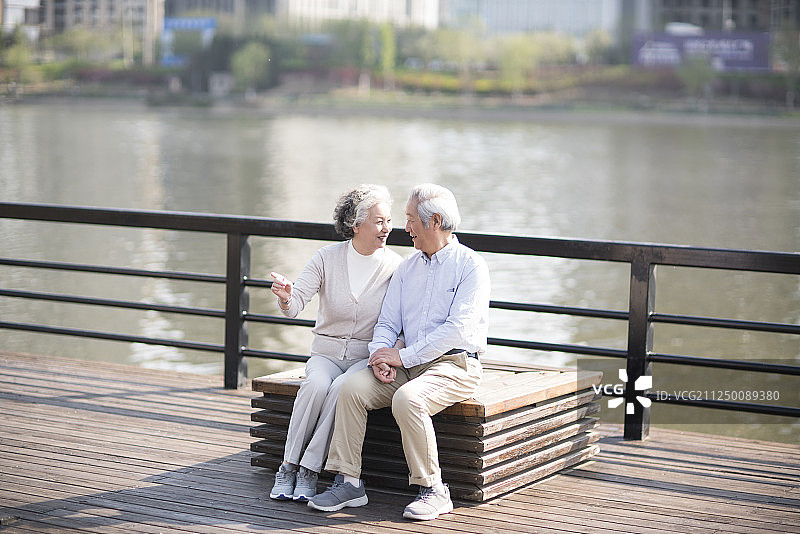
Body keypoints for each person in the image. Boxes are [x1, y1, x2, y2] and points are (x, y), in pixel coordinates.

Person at [308, 183, 490, 521]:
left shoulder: (471, 266)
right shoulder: (407, 268)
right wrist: (379, 357)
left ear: (434, 221)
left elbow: (456, 331)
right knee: (349, 387)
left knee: (409, 398)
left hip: (455, 365)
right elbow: (388, 324)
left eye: (410, 219)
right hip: (407, 364)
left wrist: (401, 357)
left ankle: (434, 489)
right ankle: (348, 482)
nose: (403, 228)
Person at [268, 184, 403, 502]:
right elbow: (296, 302)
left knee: (342, 388)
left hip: (363, 357)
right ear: (356, 225)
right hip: (325, 354)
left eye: (388, 220)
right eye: (378, 221)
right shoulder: (326, 258)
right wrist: (287, 297)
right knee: (315, 385)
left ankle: (308, 471)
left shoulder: (397, 267)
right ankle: (287, 466)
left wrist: (390, 354)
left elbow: (401, 323)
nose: (386, 228)